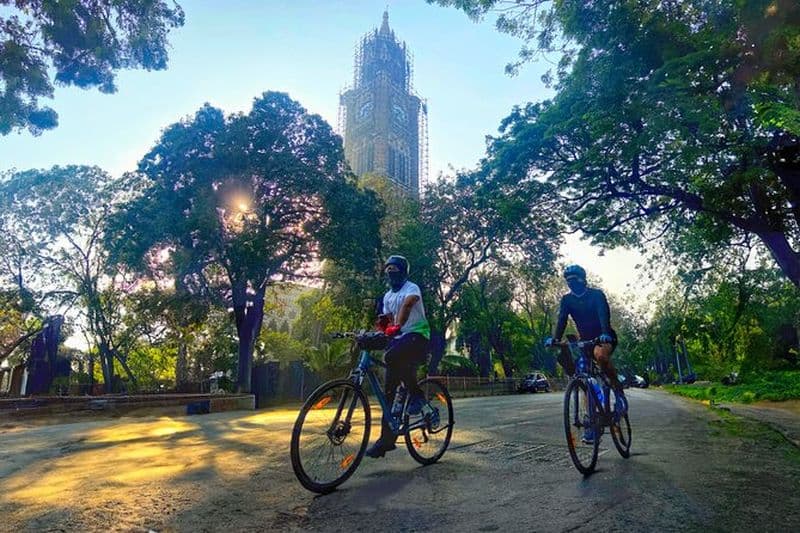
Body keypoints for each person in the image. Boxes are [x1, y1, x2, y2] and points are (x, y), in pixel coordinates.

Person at [545, 264, 627, 443]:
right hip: (585, 341)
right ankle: (591, 423)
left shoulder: (596, 295)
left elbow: (603, 314)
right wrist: (555, 339)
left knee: (601, 357)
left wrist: (604, 333)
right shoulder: (567, 300)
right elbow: (562, 319)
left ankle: (618, 391)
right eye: (568, 280)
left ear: (582, 279)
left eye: (574, 279)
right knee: (583, 378)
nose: (571, 283)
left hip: (604, 337)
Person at [366, 255, 431, 458]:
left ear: (403, 272)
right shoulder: (387, 296)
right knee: (389, 392)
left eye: (394, 269)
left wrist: (398, 326)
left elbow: (407, 305)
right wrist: (380, 330)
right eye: (388, 270)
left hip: (418, 338)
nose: (390, 273)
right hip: (400, 340)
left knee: (392, 356)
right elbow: (386, 319)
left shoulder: (412, 288)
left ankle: (418, 395)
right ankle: (386, 441)